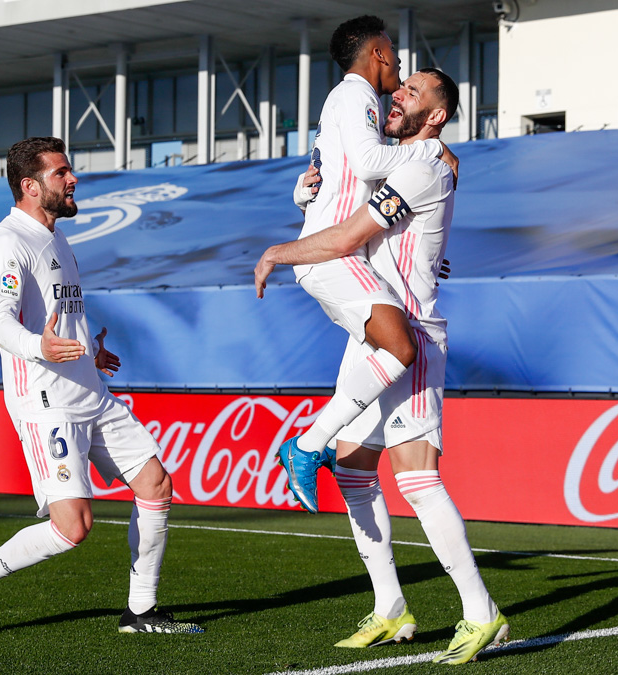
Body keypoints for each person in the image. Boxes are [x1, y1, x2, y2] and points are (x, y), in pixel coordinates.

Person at [255, 69, 508, 665]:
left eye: (412, 92)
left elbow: (347, 238)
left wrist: (277, 251)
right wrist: (305, 191)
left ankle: (481, 612)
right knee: (352, 468)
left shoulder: (423, 166)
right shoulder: (409, 158)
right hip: (375, 326)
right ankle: (391, 607)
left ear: (438, 114)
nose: (397, 95)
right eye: (399, 88)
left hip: (411, 331)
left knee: (417, 478)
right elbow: (347, 188)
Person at [0, 136, 203, 639]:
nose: (73, 178)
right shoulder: (8, 242)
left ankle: (140, 612)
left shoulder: (56, 237)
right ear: (31, 186)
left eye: (69, 169)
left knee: (155, 484)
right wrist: (43, 346)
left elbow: (62, 311)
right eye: (61, 173)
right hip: (46, 402)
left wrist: (87, 347)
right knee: (72, 529)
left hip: (91, 390)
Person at [273, 15, 460, 515]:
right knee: (401, 348)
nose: (399, 64)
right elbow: (369, 163)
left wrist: (302, 192)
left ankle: (388, 597)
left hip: (341, 254)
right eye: (396, 54)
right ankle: (307, 446)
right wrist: (434, 154)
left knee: (358, 471)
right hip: (333, 252)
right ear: (377, 53)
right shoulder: (356, 95)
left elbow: (338, 173)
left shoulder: (355, 101)